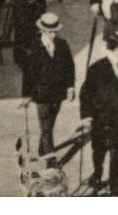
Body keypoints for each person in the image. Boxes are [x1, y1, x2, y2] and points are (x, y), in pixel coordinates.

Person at [81, 33, 118, 195]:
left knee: (116, 150)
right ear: (117, 48)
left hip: (117, 118)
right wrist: (86, 116)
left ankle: (114, 183)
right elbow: (85, 93)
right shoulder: (97, 68)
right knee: (99, 149)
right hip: (99, 118)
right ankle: (97, 176)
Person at [20, 12, 76, 155]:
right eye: (50, 32)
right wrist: (26, 95)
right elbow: (28, 73)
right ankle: (49, 159)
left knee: (50, 124)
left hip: (58, 92)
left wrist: (70, 87)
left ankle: (42, 149)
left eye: (55, 32)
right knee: (45, 125)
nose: (53, 35)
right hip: (41, 94)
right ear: (42, 30)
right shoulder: (33, 47)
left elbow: (70, 67)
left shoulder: (62, 44)